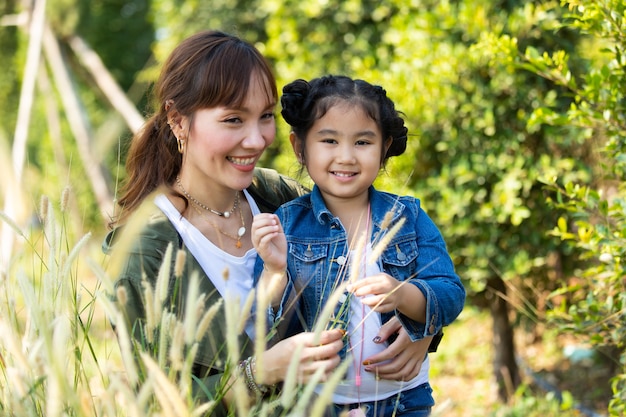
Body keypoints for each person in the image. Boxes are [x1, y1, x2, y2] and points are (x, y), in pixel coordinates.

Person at [103, 31, 432, 416]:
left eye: (264, 117)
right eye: (232, 120)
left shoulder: (278, 196)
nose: (256, 139)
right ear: (179, 121)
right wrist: (262, 371)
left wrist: (421, 329)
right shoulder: (145, 249)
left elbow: (392, 260)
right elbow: (156, 402)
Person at [252, 75, 466, 417]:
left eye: (363, 142)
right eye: (330, 141)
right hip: (321, 402)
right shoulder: (288, 224)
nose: (347, 157)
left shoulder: (406, 217)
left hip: (405, 400)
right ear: (299, 147)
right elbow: (271, 329)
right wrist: (276, 271)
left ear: (384, 147)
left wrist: (402, 294)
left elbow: (451, 293)